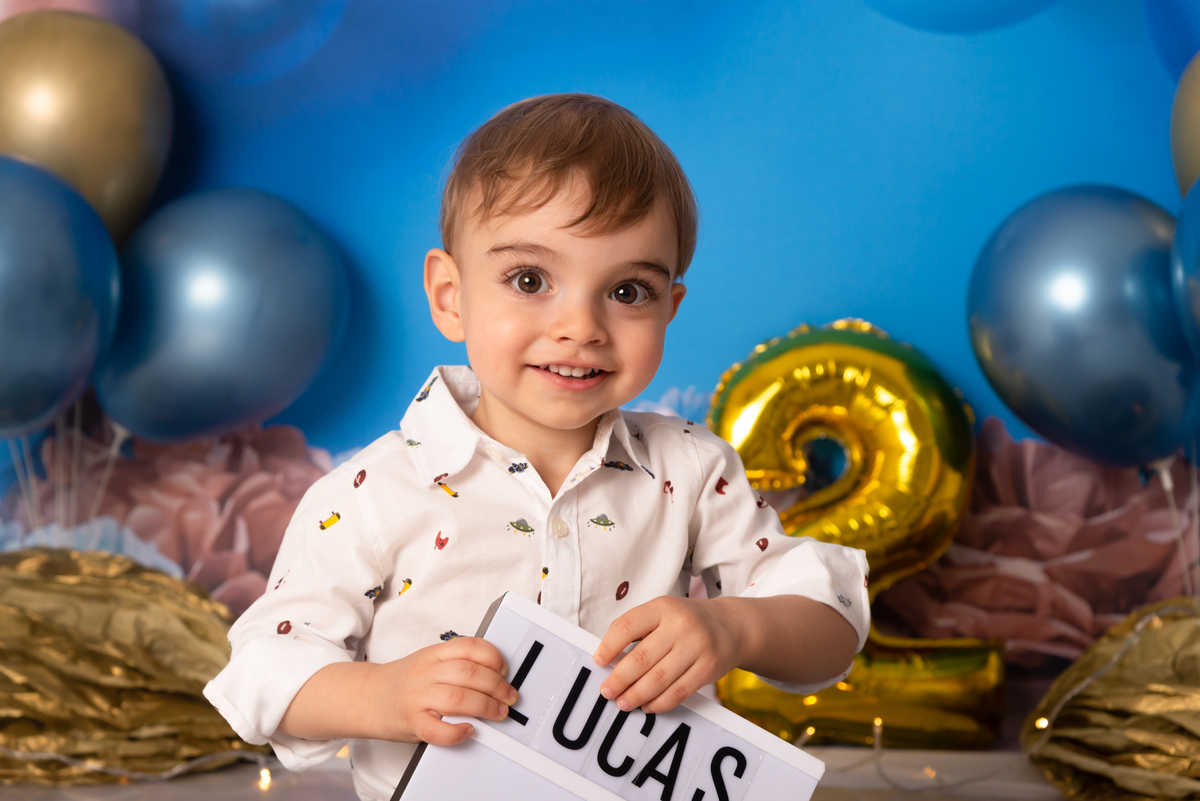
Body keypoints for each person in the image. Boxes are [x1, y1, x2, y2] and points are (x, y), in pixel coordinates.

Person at [205, 93, 869, 801]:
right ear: (450, 295)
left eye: (627, 290)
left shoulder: (691, 468)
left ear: (671, 306)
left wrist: (737, 627)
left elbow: (829, 617)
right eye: (530, 280)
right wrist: (383, 693)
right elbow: (262, 670)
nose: (580, 325)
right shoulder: (371, 494)